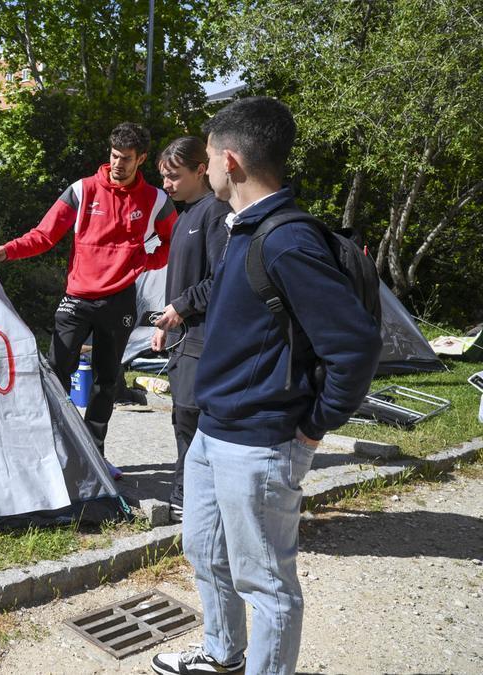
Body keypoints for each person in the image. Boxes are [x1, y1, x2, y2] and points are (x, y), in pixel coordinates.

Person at [152, 97, 381, 675]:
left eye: (208, 157)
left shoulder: (287, 240)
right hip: (214, 431)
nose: (205, 167)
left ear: (229, 161)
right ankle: (222, 653)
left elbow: (355, 346)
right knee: (204, 551)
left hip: (260, 442)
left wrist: (313, 428)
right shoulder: (244, 229)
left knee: (267, 583)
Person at [0, 122, 177, 476]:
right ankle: (49, 451)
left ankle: (94, 456)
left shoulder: (156, 200)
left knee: (107, 381)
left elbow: (174, 242)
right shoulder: (81, 190)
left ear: (141, 159)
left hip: (119, 300)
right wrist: (5, 252)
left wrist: (144, 262)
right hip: (76, 298)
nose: (118, 164)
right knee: (55, 374)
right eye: (114, 155)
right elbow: (44, 236)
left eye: (127, 158)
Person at [149, 136, 231, 523]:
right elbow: (181, 281)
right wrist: (166, 325)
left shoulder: (216, 213)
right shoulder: (184, 216)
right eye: (164, 177)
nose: (167, 185)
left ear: (201, 170)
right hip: (182, 339)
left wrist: (181, 308)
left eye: (175, 176)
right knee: (182, 417)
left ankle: (189, 500)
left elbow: (223, 280)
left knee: (192, 420)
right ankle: (190, 497)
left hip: (205, 339)